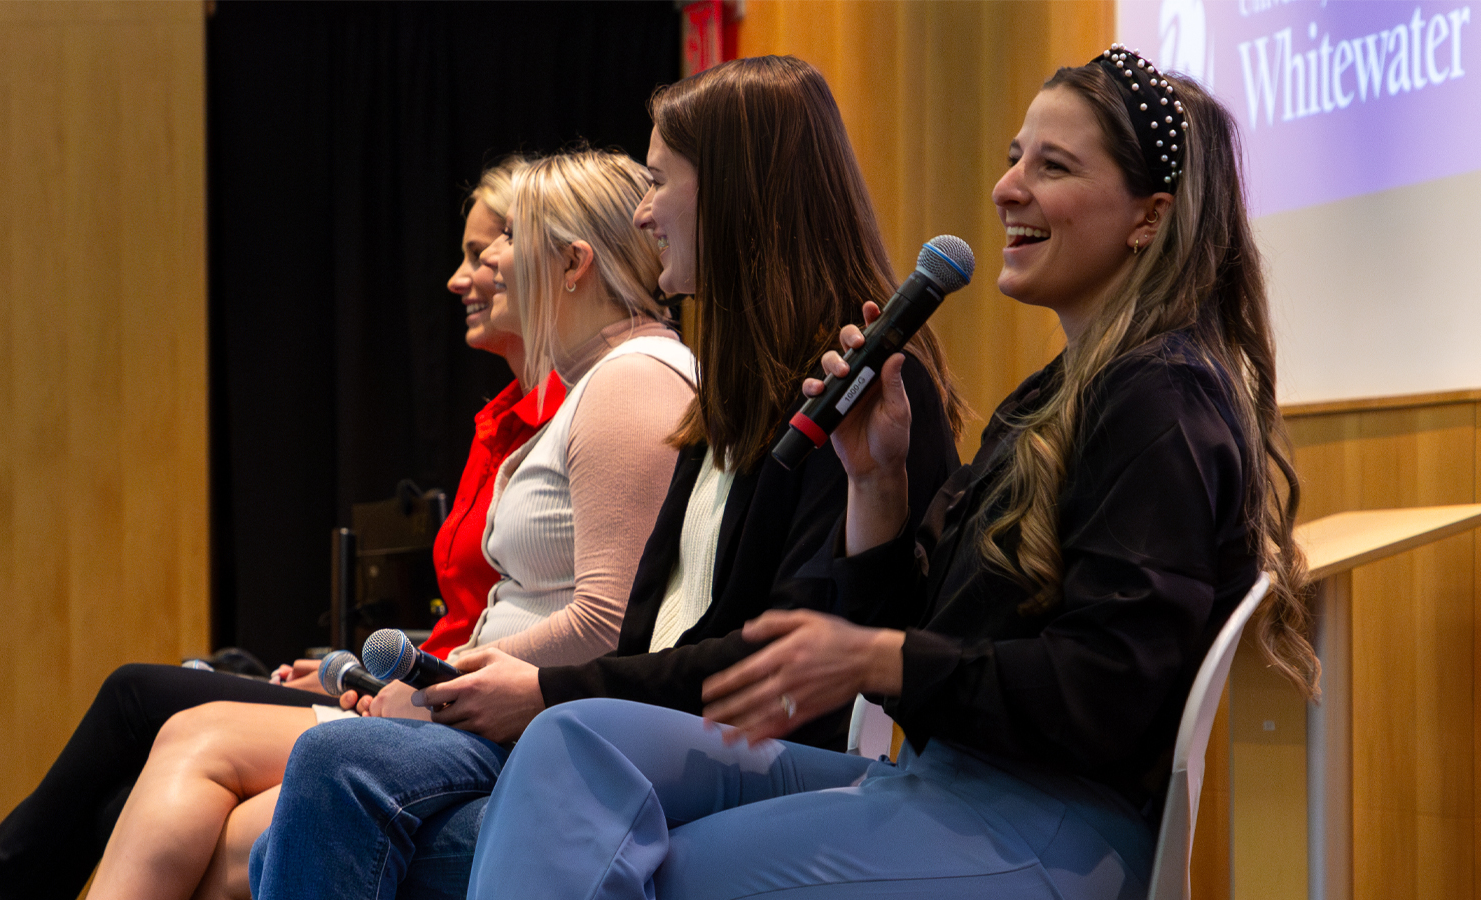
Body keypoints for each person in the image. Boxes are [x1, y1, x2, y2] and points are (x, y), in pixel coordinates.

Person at [463, 46, 1323, 900]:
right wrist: (875, 490)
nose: (1007, 188)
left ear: (1150, 217)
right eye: (1014, 158)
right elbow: (939, 640)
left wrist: (881, 658)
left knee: (660, 866)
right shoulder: (1056, 395)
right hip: (940, 782)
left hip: (1050, 826)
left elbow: (1108, 691)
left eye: (1052, 166)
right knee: (574, 741)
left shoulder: (1160, 403)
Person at [245, 55, 966, 900]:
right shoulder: (732, 399)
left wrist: (548, 692)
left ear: (735, 193)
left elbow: (780, 664)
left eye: (661, 180)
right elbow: (659, 634)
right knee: (303, 801)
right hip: (640, 738)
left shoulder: (860, 394)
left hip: (725, 759)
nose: (644, 210)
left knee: (330, 778)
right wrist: (510, 690)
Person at [0, 158, 563, 900]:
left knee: (142, 703)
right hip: (433, 686)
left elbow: (578, 621)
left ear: (558, 261)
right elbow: (488, 618)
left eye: (481, 255)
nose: (459, 279)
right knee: (143, 776)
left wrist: (409, 685)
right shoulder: (505, 421)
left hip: (459, 708)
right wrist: (373, 669)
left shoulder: (586, 408)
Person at [85, 149, 694, 900]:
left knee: (241, 828)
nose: (495, 264)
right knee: (215, 807)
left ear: (572, 264)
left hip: (536, 728)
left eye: (513, 241)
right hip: (501, 711)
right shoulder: (601, 384)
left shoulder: (631, 382)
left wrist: (433, 688)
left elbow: (608, 622)